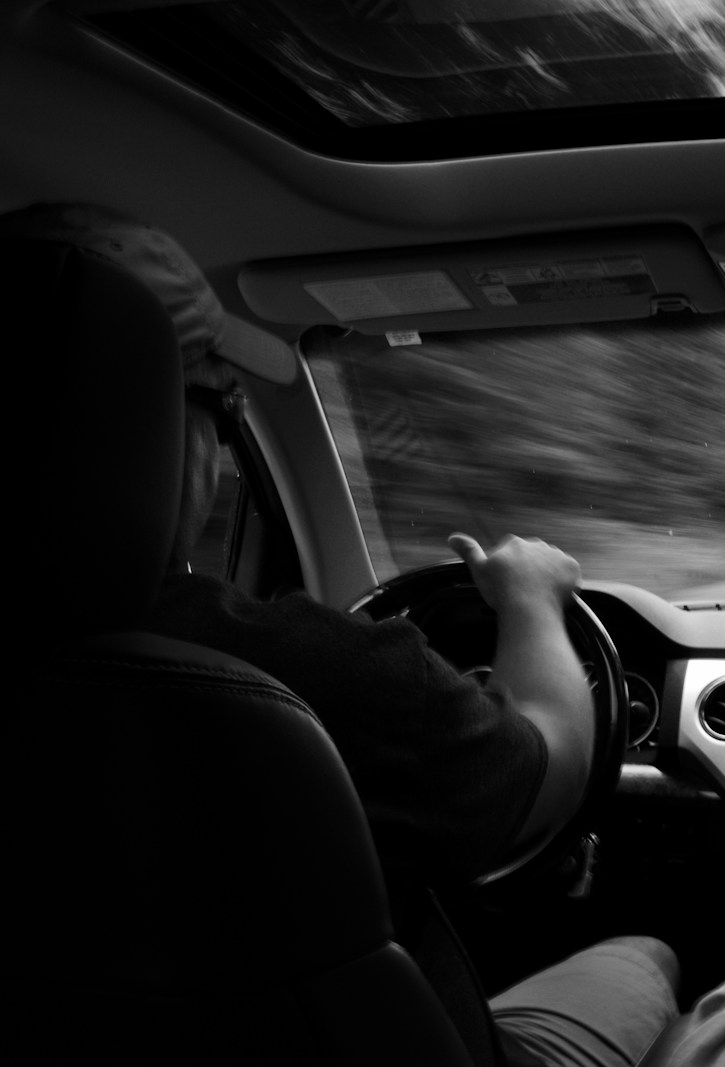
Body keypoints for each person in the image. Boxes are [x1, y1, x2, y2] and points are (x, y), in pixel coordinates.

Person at [2, 201, 679, 1067]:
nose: (221, 437)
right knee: (655, 953)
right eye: (222, 401)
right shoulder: (284, 676)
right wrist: (535, 598)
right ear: (148, 423)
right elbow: (546, 765)